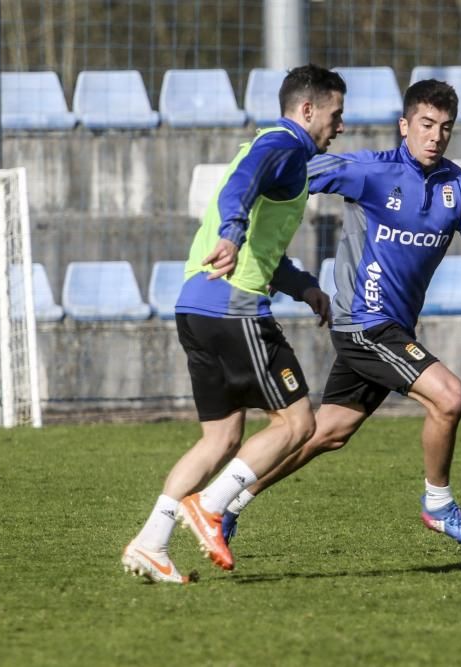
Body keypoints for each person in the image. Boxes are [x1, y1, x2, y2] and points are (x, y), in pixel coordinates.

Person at [221, 78, 461, 549]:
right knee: (449, 397)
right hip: (364, 324)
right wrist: (247, 186)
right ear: (405, 126)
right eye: (426, 124)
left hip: (393, 329)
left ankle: (227, 503)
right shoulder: (370, 172)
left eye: (445, 127)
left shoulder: (459, 187)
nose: (435, 136)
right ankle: (438, 504)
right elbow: (296, 170)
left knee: (326, 434)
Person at [121, 64, 346, 583]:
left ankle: (151, 542)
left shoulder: (275, 151)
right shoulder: (285, 145)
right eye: (336, 115)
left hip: (195, 305)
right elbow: (240, 194)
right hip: (234, 306)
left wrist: (305, 287)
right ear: (307, 110)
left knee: (219, 440)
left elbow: (265, 245)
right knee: (298, 424)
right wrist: (231, 231)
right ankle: (213, 506)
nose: (340, 126)